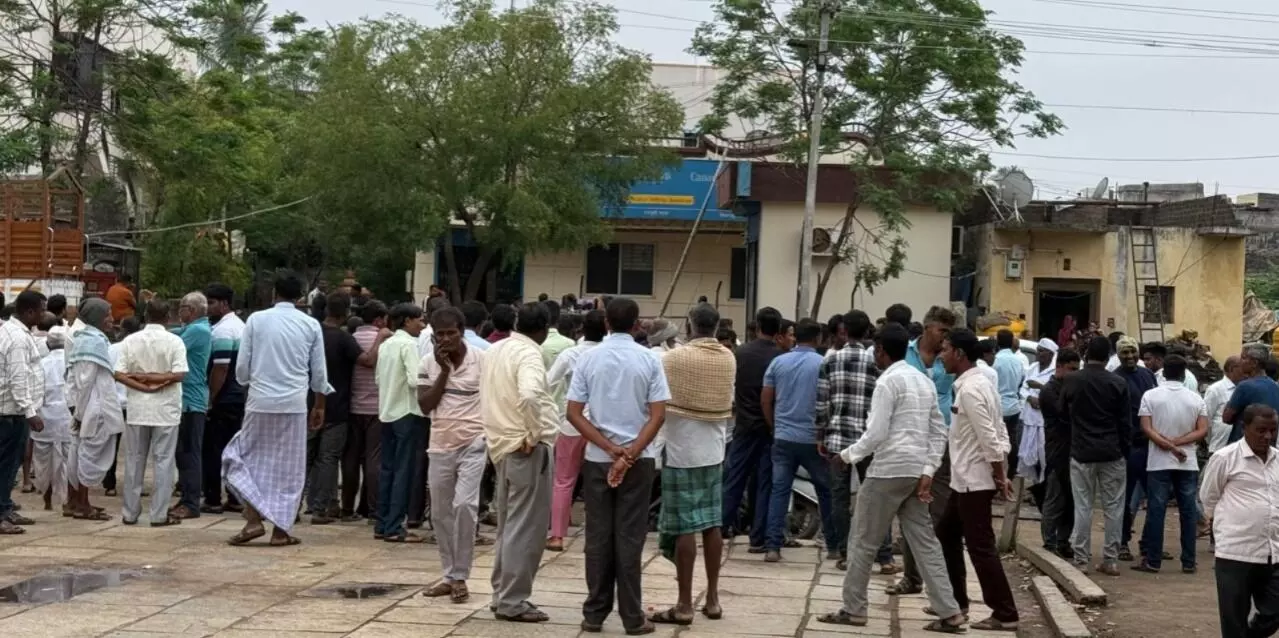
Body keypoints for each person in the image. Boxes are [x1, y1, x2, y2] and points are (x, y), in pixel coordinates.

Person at [816, 322, 965, 632]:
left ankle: (854, 608)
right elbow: (939, 430)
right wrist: (928, 469)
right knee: (925, 543)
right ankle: (950, 612)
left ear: (881, 351)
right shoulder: (923, 380)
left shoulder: (887, 382)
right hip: (915, 471)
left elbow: (876, 434)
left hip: (887, 470)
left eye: (876, 351)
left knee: (862, 541)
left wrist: (846, 456)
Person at [567, 297, 668, 634]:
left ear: (606, 322)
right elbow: (658, 415)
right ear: (637, 324)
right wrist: (630, 453)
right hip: (639, 459)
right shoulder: (649, 359)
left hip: (599, 458)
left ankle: (594, 613)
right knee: (629, 537)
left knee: (598, 537)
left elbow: (574, 413)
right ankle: (632, 616)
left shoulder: (588, 358)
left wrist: (610, 449)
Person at [223, 272, 329, 547]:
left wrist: (251, 382)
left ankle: (253, 518)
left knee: (245, 458)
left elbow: (242, 368)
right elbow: (319, 373)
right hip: (294, 404)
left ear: (274, 293)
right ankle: (280, 530)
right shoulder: (310, 324)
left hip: (260, 401)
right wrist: (319, 405)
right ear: (301, 296)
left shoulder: (256, 320)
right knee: (289, 467)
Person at [649, 303, 734, 626]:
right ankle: (712, 598)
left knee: (684, 526)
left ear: (689, 326)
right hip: (714, 450)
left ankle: (684, 603)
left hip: (681, 449)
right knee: (712, 523)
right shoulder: (728, 357)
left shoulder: (674, 359)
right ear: (716, 327)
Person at [481, 302, 558, 624]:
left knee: (510, 526)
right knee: (526, 528)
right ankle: (512, 600)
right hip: (524, 446)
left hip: (501, 444)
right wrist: (534, 433)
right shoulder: (528, 354)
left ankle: (503, 594)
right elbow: (529, 395)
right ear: (543, 329)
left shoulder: (496, 350)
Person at [936, 328, 1019, 631]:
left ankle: (1005, 613)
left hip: (974, 480)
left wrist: (1000, 475)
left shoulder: (972, 390)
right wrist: (1001, 468)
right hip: (965, 480)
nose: (941, 356)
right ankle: (956, 604)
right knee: (946, 534)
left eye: (945, 350)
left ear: (959, 353)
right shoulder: (979, 384)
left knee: (980, 546)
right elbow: (1000, 430)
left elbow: (990, 437)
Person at [816, 310, 896, 573]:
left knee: (839, 499)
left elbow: (822, 403)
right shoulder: (875, 363)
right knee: (875, 498)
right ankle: (884, 556)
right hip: (868, 441)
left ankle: (845, 553)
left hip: (837, 440)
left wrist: (820, 435)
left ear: (845, 331)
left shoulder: (830, 360)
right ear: (867, 332)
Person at [417, 306, 488, 604]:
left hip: (475, 442)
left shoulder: (482, 359)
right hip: (440, 443)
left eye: (451, 333)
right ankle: (449, 574)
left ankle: (460, 576)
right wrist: (444, 372)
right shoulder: (427, 363)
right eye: (440, 335)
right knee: (440, 513)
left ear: (462, 332)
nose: (446, 339)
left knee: (465, 506)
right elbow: (425, 405)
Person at [891, 305, 957, 597]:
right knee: (910, 511)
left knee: (939, 512)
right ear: (928, 327)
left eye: (948, 333)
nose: (944, 337)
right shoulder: (905, 355)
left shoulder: (950, 358)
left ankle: (940, 583)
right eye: (941, 330)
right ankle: (911, 577)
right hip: (910, 439)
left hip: (942, 442)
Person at [1200, 404, 1279, 638]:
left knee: (1274, 612)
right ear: (1244, 428)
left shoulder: (1277, 459)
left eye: (1273, 430)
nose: (1268, 436)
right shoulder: (1225, 458)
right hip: (1235, 552)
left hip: (1273, 551)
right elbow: (1209, 497)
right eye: (1261, 430)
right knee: (1234, 620)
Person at [761, 317, 835, 562]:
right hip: (813, 439)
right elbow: (829, 401)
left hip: (783, 437)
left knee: (779, 491)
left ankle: (773, 546)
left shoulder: (778, 362)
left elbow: (766, 399)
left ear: (796, 336)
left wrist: (774, 426)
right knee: (825, 491)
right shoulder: (823, 364)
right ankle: (834, 544)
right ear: (818, 338)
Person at [1130, 353, 1208, 575]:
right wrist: (1179, 444)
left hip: (1159, 460)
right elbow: (1202, 430)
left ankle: (1153, 560)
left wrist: (1168, 445)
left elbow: (1146, 428)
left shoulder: (1151, 395)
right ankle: (1189, 561)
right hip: (1187, 460)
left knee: (1156, 510)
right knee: (1188, 510)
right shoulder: (1196, 398)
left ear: (1163, 372)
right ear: (1184, 374)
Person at [114, 299, 189, 527]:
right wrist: (156, 382)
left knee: (134, 460)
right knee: (164, 461)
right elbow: (179, 374)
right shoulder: (174, 341)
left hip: (138, 407)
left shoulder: (130, 340)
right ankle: (159, 514)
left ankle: (130, 512)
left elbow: (119, 374)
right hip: (165, 407)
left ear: (145, 315)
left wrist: (143, 383)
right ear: (168, 318)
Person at [1061, 336, 1131, 575]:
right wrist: (1124, 450)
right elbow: (1125, 423)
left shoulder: (1072, 380)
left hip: (1081, 452)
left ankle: (1081, 559)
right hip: (1112, 452)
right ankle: (1110, 560)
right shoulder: (1118, 382)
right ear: (1109, 356)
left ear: (1086, 354)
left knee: (1083, 507)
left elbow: (1062, 412)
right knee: (1114, 508)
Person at [721, 307, 785, 550]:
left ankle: (721, 527)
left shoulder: (740, 353)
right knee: (764, 482)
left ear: (757, 326)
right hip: (770, 427)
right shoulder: (780, 356)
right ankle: (758, 536)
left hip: (744, 425)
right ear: (778, 330)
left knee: (734, 478)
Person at [545, 309, 605, 552]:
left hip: (572, 422)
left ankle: (557, 535)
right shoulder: (609, 354)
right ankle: (596, 538)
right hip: (601, 426)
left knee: (563, 480)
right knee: (599, 482)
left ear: (581, 330)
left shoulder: (571, 354)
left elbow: (548, 383)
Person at [374, 303, 428, 543]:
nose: (422, 325)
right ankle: (395, 526)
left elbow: (378, 378)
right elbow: (416, 380)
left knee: (388, 469)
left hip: (387, 411)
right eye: (420, 320)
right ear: (407, 321)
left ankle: (382, 523)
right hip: (406, 412)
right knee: (403, 470)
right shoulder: (409, 345)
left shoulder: (386, 345)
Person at [308, 292, 363, 524]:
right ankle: (321, 508)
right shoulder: (344, 339)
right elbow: (366, 360)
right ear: (347, 312)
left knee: (307, 457)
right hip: (336, 406)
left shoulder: (313, 333)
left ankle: (299, 506)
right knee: (328, 457)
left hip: (309, 403)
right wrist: (381, 338)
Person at [0, 291, 44, 533]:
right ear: (29, 311)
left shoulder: (13, 332)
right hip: (11, 412)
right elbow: (18, 378)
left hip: (12, 411)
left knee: (9, 465)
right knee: (6, 465)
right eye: (41, 310)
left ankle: (5, 508)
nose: (43, 315)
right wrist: (30, 412)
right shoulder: (16, 338)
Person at [1113, 336, 1158, 563]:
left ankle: (1149, 545)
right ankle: (1121, 542)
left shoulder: (1148, 375)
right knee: (1124, 498)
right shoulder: (1115, 378)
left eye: (1132, 351)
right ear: (1118, 355)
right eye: (1125, 352)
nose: (1130, 356)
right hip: (1128, 448)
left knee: (1155, 497)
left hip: (1151, 445)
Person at [344, 301, 391, 521]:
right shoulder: (385, 340)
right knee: (374, 458)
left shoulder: (351, 338)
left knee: (351, 457)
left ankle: (347, 507)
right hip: (376, 407)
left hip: (354, 406)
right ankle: (373, 509)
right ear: (379, 320)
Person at [201, 284, 246, 514]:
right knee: (234, 450)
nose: (207, 307)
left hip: (223, 398)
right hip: (239, 397)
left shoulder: (223, 331)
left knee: (213, 449)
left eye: (211, 303)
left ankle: (213, 498)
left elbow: (221, 368)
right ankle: (235, 497)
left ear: (224, 304)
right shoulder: (241, 326)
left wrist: (210, 398)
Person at [169, 292, 212, 520]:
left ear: (192, 310)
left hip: (191, 401)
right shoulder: (193, 329)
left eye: (182, 307)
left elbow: (172, 346)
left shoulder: (198, 331)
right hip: (186, 400)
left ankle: (191, 502)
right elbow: (174, 333)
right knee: (182, 453)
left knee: (189, 453)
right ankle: (186, 496)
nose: (179, 312)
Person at [1039, 348, 1079, 557]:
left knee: (1071, 500)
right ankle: (1049, 542)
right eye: (1071, 369)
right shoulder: (1049, 391)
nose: (1074, 373)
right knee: (1055, 498)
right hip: (1057, 450)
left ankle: (1063, 541)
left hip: (1073, 449)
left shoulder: (1070, 387)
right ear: (1059, 367)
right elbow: (1064, 414)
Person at [101, 315, 137, 500]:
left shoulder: (112, 349)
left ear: (123, 330)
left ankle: (110, 484)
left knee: (112, 445)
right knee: (136, 446)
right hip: (135, 402)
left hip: (114, 401)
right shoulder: (140, 349)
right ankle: (134, 483)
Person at [1020, 339, 1058, 493]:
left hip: (1044, 421)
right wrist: (1029, 398)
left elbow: (1056, 391)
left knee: (1044, 457)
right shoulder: (1032, 368)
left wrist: (1041, 393)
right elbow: (1023, 388)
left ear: (1050, 354)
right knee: (1030, 456)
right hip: (1030, 418)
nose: (1038, 354)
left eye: (1042, 351)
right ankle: (1036, 487)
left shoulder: (1055, 371)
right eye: (1038, 350)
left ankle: (1045, 488)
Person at [1224, 343, 1279, 445]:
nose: (1240, 362)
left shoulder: (1245, 386)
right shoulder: (1275, 386)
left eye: (1243, 358)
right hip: (1267, 446)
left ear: (1254, 363)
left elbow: (1226, 418)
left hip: (1244, 446)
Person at [992, 329, 1025, 479]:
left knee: (998, 443)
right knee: (1012, 440)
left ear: (997, 342)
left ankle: (1000, 475)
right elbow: (1021, 381)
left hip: (1000, 407)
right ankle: (1011, 473)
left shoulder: (995, 361)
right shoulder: (1018, 361)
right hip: (1014, 406)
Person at [1205, 356, 1243, 455]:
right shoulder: (1215, 389)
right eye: (1242, 367)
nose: (1245, 371)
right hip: (1219, 445)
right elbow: (1206, 418)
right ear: (1232, 369)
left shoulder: (1244, 388)